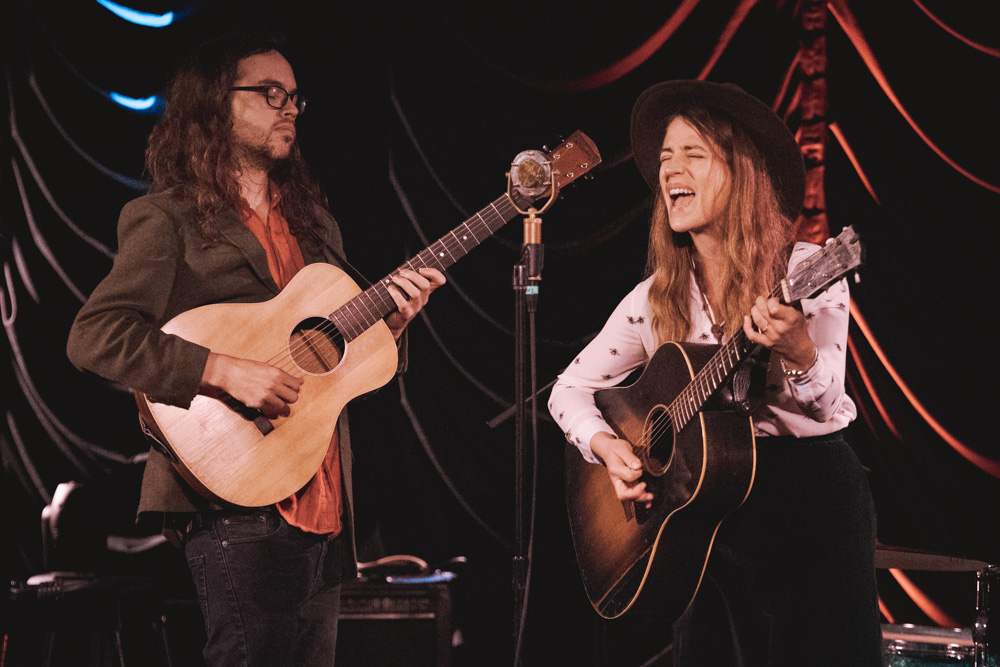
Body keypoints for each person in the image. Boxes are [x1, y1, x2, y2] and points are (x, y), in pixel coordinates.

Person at [66, 31, 445, 666]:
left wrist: (394, 327)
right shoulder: (169, 219)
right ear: (216, 104)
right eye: (270, 93)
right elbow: (95, 335)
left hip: (322, 501)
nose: (289, 107)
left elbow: (327, 350)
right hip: (233, 502)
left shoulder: (314, 224)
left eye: (295, 97)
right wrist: (220, 370)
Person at [548, 80, 882, 665]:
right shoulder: (653, 298)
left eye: (693, 154)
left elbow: (828, 407)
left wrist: (799, 348)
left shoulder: (806, 271)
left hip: (811, 505)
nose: (671, 168)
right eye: (665, 158)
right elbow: (569, 389)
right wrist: (608, 447)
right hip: (706, 512)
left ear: (742, 174)